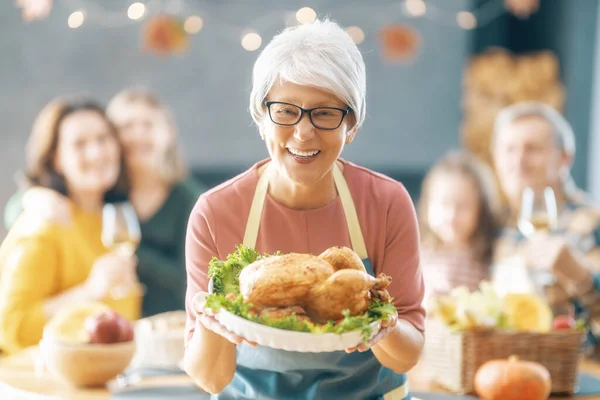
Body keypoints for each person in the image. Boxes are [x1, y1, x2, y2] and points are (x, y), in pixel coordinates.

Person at [183, 19, 425, 399]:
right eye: (285, 110)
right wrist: (212, 320)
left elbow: (406, 356)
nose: (303, 132)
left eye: (325, 113)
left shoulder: (387, 202)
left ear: (352, 125)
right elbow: (210, 380)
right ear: (261, 118)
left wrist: (384, 327)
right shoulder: (216, 212)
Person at [4, 89, 206, 317]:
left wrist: (134, 256)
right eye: (127, 127)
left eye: (148, 125)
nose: (137, 135)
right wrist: (31, 198)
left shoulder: (189, 200)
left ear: (169, 133)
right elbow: (21, 215)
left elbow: (196, 280)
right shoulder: (106, 190)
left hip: (168, 321)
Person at [0, 97, 140, 355]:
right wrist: (88, 291)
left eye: (103, 139)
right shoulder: (44, 225)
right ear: (56, 159)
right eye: (79, 144)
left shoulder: (110, 223)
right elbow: (10, 328)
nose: (96, 152)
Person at [491, 101, 600, 354]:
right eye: (509, 149)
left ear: (564, 158)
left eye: (533, 149)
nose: (518, 160)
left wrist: (582, 276)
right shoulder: (494, 222)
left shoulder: (591, 222)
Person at [417, 151, 500, 306]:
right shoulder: (419, 253)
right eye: (444, 204)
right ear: (428, 205)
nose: (452, 216)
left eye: (462, 206)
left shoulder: (486, 256)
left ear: (481, 211)